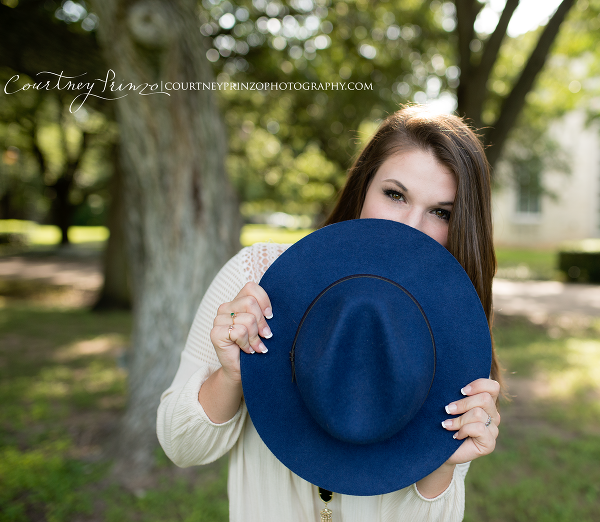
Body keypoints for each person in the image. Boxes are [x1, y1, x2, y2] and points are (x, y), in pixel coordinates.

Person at [156, 105, 502, 522]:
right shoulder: (256, 279)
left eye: (441, 212)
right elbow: (180, 447)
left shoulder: (453, 335)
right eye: (395, 195)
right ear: (362, 188)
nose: (410, 227)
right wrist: (230, 375)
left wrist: (443, 463)